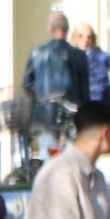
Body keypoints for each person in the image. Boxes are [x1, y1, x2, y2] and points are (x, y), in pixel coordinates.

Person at [22, 14, 89, 144]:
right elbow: (85, 91)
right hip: (71, 114)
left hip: (43, 114)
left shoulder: (36, 53)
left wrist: (37, 102)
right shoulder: (79, 55)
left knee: (48, 154)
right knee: (69, 156)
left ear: (50, 28)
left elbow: (27, 84)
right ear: (67, 29)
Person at [68, 23, 110, 108]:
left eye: (89, 37)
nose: (85, 40)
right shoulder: (71, 57)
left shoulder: (101, 55)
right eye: (81, 36)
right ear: (75, 38)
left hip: (103, 101)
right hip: (82, 103)